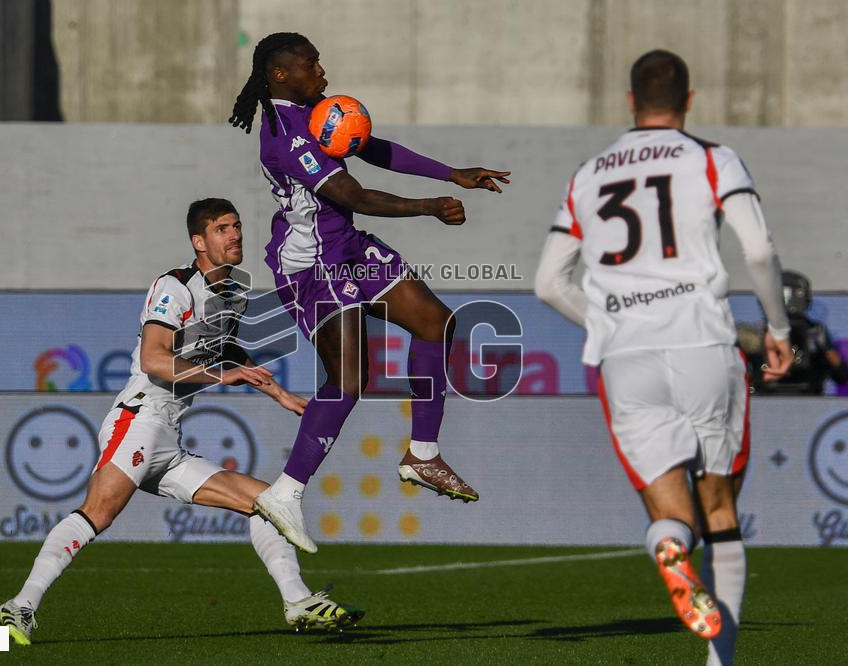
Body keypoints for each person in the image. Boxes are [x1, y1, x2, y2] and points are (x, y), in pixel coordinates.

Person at [0, 198, 363, 645]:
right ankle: (21, 605)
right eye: (223, 228)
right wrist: (223, 375)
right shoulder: (175, 286)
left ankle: (298, 600)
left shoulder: (234, 292)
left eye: (237, 226)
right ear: (199, 241)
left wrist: (279, 393)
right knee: (99, 512)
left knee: (269, 503)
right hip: (140, 419)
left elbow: (225, 351)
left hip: (169, 438)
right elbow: (154, 359)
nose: (235, 235)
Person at [534, 50, 793, 665]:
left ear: (630, 101)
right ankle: (719, 662)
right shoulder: (710, 157)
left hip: (627, 356)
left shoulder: (589, 174)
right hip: (703, 341)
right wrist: (777, 326)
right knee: (720, 506)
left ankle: (670, 551)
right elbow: (757, 250)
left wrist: (606, 319)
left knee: (671, 514)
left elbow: (547, 282)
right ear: (689, 99)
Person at [228, 32, 510, 553]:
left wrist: (453, 173)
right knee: (353, 376)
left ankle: (422, 453)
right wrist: (430, 206)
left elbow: (371, 148)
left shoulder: (313, 110)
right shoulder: (284, 136)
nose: (323, 73)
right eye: (312, 65)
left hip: (350, 250)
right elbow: (352, 193)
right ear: (281, 75)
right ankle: (287, 492)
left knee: (435, 322)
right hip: (312, 265)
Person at [742, 270, 848, 394]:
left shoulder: (817, 333)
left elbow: (841, 375)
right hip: (770, 399)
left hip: (808, 398)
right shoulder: (754, 335)